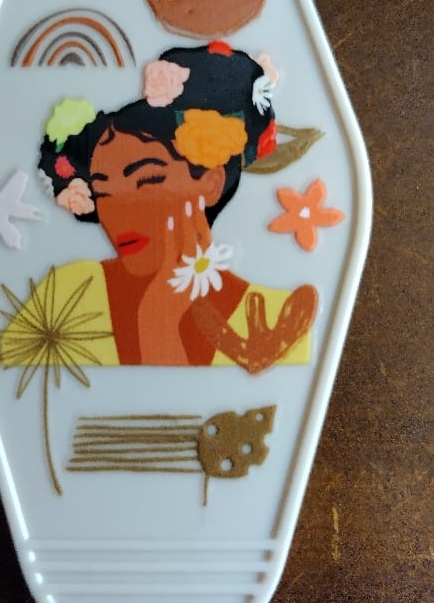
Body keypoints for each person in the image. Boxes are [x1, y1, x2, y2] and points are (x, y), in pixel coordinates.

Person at [25, 41, 317, 371]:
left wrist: (159, 317)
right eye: (103, 191)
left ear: (212, 182)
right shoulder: (64, 296)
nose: (118, 212)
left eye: (147, 182)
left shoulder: (275, 323)